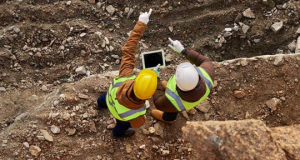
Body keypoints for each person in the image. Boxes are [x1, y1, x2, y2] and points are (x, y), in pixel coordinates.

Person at [97, 9, 158, 137]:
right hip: (120, 117)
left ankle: (100, 104)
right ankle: (117, 134)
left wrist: (141, 23)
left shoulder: (126, 76)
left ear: (136, 81)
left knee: (103, 99)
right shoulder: (139, 113)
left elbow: (129, 49)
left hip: (109, 99)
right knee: (122, 126)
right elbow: (137, 124)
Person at [151, 38, 215, 123]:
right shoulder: (208, 75)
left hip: (175, 104)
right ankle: (168, 91)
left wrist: (156, 79)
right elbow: (204, 60)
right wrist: (183, 50)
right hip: (192, 98)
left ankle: (169, 119)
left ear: (176, 82)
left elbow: (157, 102)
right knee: (173, 106)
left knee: (171, 110)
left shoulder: (172, 101)